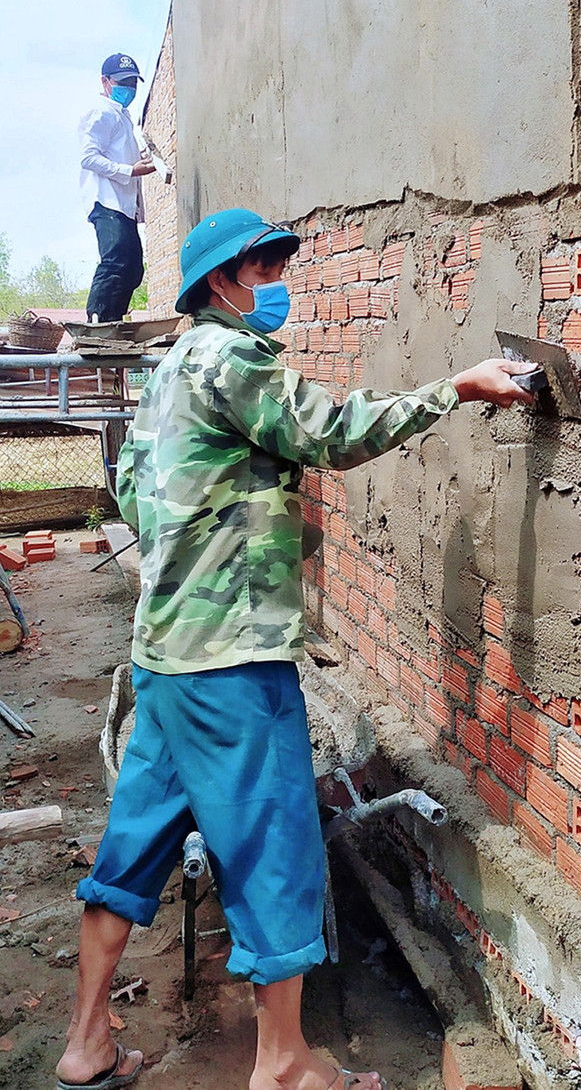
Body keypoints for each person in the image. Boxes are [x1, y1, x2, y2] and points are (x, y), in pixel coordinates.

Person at [55, 208, 537, 1090]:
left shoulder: (167, 373)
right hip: (233, 665)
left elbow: (134, 490)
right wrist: (457, 389)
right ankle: (283, 1065)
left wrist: (236, 533)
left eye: (281, 265)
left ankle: (87, 1044)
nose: (279, 283)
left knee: (130, 853)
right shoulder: (234, 360)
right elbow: (334, 431)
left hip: (164, 658)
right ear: (220, 282)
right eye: (266, 268)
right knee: (277, 855)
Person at [78, 53, 156, 323]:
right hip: (107, 201)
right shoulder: (101, 112)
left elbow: (119, 156)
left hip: (123, 205)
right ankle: (98, 322)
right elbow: (89, 157)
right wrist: (131, 170)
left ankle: (113, 320)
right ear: (105, 81)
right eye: (123, 83)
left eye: (133, 83)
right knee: (115, 262)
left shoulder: (122, 117)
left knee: (133, 268)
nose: (129, 89)